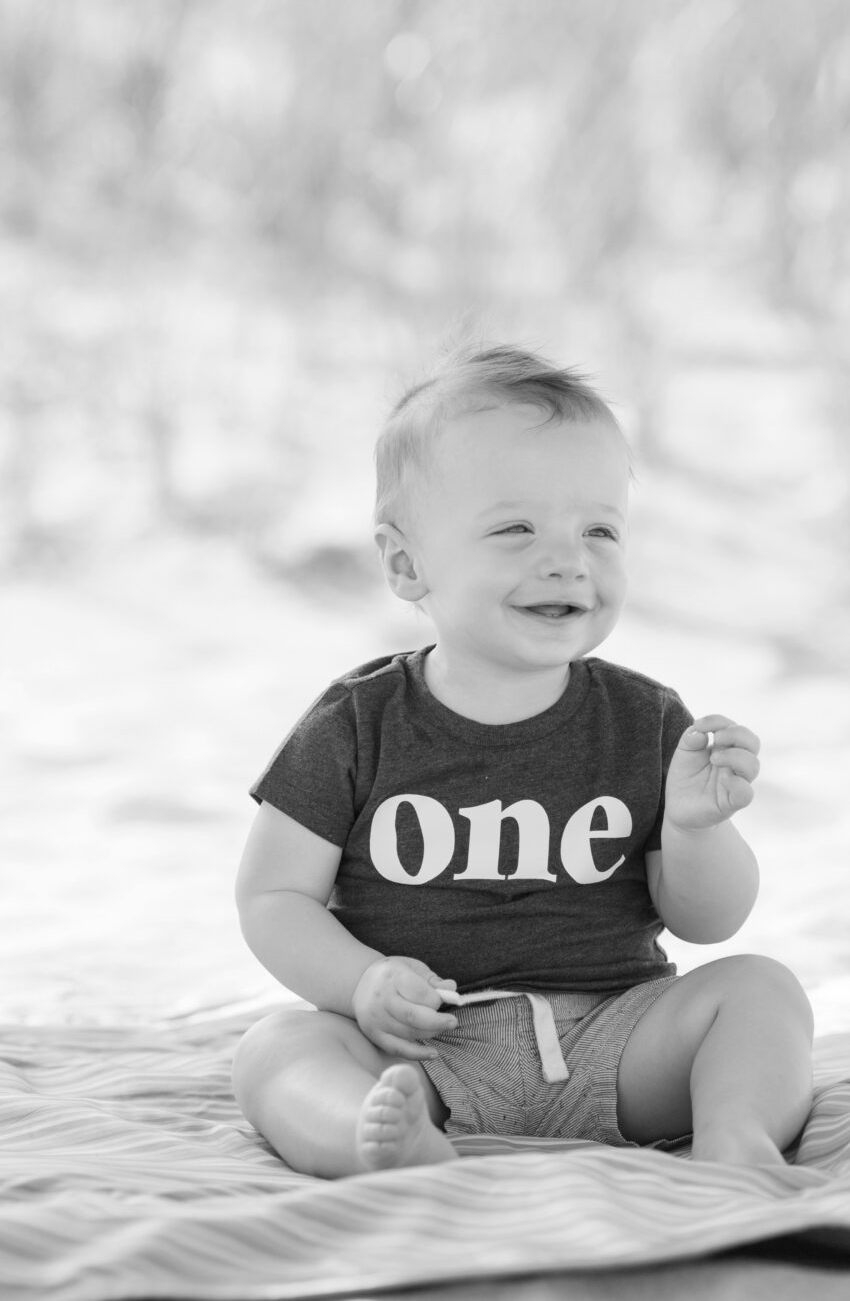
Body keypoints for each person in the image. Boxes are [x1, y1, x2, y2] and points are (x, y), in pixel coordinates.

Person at [232, 344, 814, 1178]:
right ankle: (384, 1142)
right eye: (515, 529)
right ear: (405, 564)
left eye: (600, 530)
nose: (568, 558)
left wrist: (695, 831)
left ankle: (737, 1138)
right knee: (277, 1049)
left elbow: (708, 922)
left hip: (619, 1040)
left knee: (761, 990)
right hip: (423, 1046)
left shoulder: (644, 719)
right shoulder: (354, 724)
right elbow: (274, 896)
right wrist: (362, 984)